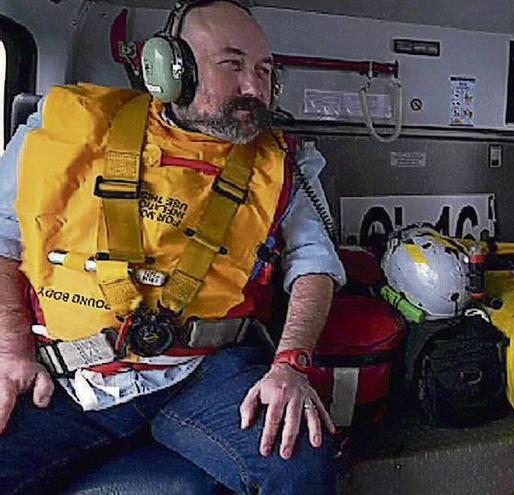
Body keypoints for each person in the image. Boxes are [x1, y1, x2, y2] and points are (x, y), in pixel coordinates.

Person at [0, 1, 345, 493]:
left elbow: (314, 265)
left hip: (202, 373)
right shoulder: (64, 130)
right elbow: (3, 240)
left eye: (265, 71)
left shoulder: (281, 165)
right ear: (170, 68)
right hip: (66, 374)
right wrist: (11, 353)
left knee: (301, 462)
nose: (254, 88)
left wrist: (290, 364)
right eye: (233, 65)